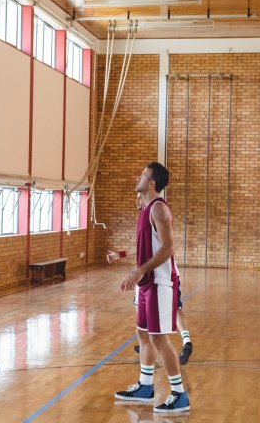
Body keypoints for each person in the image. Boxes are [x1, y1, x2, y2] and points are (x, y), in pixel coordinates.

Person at [109, 162, 191, 413]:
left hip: (158, 282)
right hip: (146, 282)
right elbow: (149, 248)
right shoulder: (145, 209)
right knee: (142, 333)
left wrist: (141, 270)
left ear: (152, 182)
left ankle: (179, 394)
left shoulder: (158, 209)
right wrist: (122, 254)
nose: (138, 177)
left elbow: (168, 248)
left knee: (158, 337)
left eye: (143, 175)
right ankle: (146, 386)